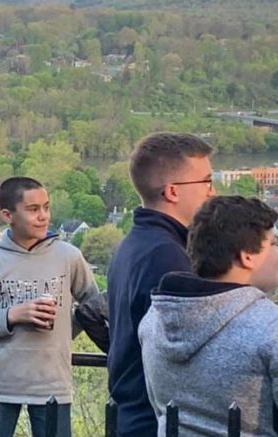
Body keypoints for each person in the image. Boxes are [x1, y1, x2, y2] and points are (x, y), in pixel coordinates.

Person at [0, 177, 99, 437]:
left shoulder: (69, 256)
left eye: (46, 207)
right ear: (7, 215)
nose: (43, 216)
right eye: (33, 209)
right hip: (0, 385)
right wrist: (13, 316)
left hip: (53, 384)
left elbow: (93, 306)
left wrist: (65, 330)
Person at [140, 196, 278, 436]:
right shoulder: (270, 326)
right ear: (247, 255)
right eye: (273, 243)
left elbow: (159, 408)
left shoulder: (154, 319)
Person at [107, 132, 215, 436]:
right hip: (154, 421)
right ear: (172, 191)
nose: (212, 192)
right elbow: (187, 352)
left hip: (133, 416)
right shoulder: (166, 256)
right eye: (206, 182)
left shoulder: (135, 244)